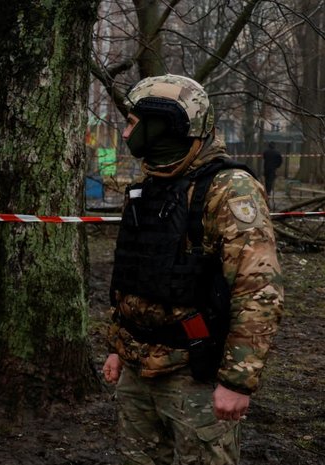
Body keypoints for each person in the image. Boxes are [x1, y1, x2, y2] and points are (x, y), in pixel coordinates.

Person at [103, 74, 283, 465]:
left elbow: (259, 292)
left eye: (132, 122)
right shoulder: (150, 185)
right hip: (138, 371)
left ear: (164, 124)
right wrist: (119, 347)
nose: (125, 129)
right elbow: (133, 275)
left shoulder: (229, 189)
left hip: (195, 375)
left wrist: (237, 382)